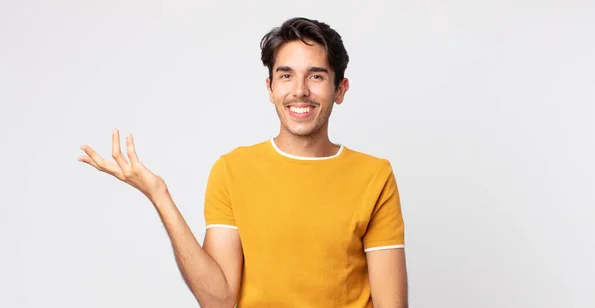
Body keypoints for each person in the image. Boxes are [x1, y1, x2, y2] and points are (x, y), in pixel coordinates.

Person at [78, 17, 408, 308]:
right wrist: (158, 194)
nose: (300, 90)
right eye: (286, 75)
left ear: (340, 89)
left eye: (316, 77)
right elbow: (218, 300)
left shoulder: (373, 176)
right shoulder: (233, 170)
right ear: (270, 87)